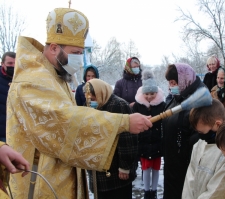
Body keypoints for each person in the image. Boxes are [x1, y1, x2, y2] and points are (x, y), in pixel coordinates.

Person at [6, 8, 152, 199]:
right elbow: (64, 123)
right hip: (39, 183)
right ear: (54, 48)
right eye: (75, 52)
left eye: (81, 53)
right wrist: (123, 122)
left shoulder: (55, 77)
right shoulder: (32, 80)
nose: (79, 60)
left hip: (58, 177)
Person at [84, 79, 138, 199]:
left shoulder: (118, 105)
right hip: (98, 173)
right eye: (88, 99)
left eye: (93, 99)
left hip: (116, 173)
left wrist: (125, 167)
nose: (90, 102)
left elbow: (127, 139)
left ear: (100, 93)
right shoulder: (90, 107)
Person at [182, 99, 225, 199]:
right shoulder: (199, 144)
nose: (200, 136)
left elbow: (219, 192)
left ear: (218, 124)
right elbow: (189, 180)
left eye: (202, 132)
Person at [162, 63, 209, 199]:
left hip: (185, 164)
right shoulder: (177, 97)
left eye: (173, 82)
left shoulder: (199, 100)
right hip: (172, 162)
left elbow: (199, 135)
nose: (171, 86)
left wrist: (182, 150)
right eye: (169, 83)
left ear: (183, 79)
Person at [132, 70, 165, 199]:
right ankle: (147, 191)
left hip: (157, 141)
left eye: (152, 93)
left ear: (156, 93)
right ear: (142, 93)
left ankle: (154, 190)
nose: (149, 96)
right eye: (147, 94)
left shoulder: (161, 105)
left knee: (156, 168)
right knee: (145, 168)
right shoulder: (138, 105)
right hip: (144, 141)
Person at [0, 52, 16, 142]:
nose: (13, 66)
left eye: (15, 63)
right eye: (10, 63)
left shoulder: (23, 78)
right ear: (2, 64)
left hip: (16, 133)